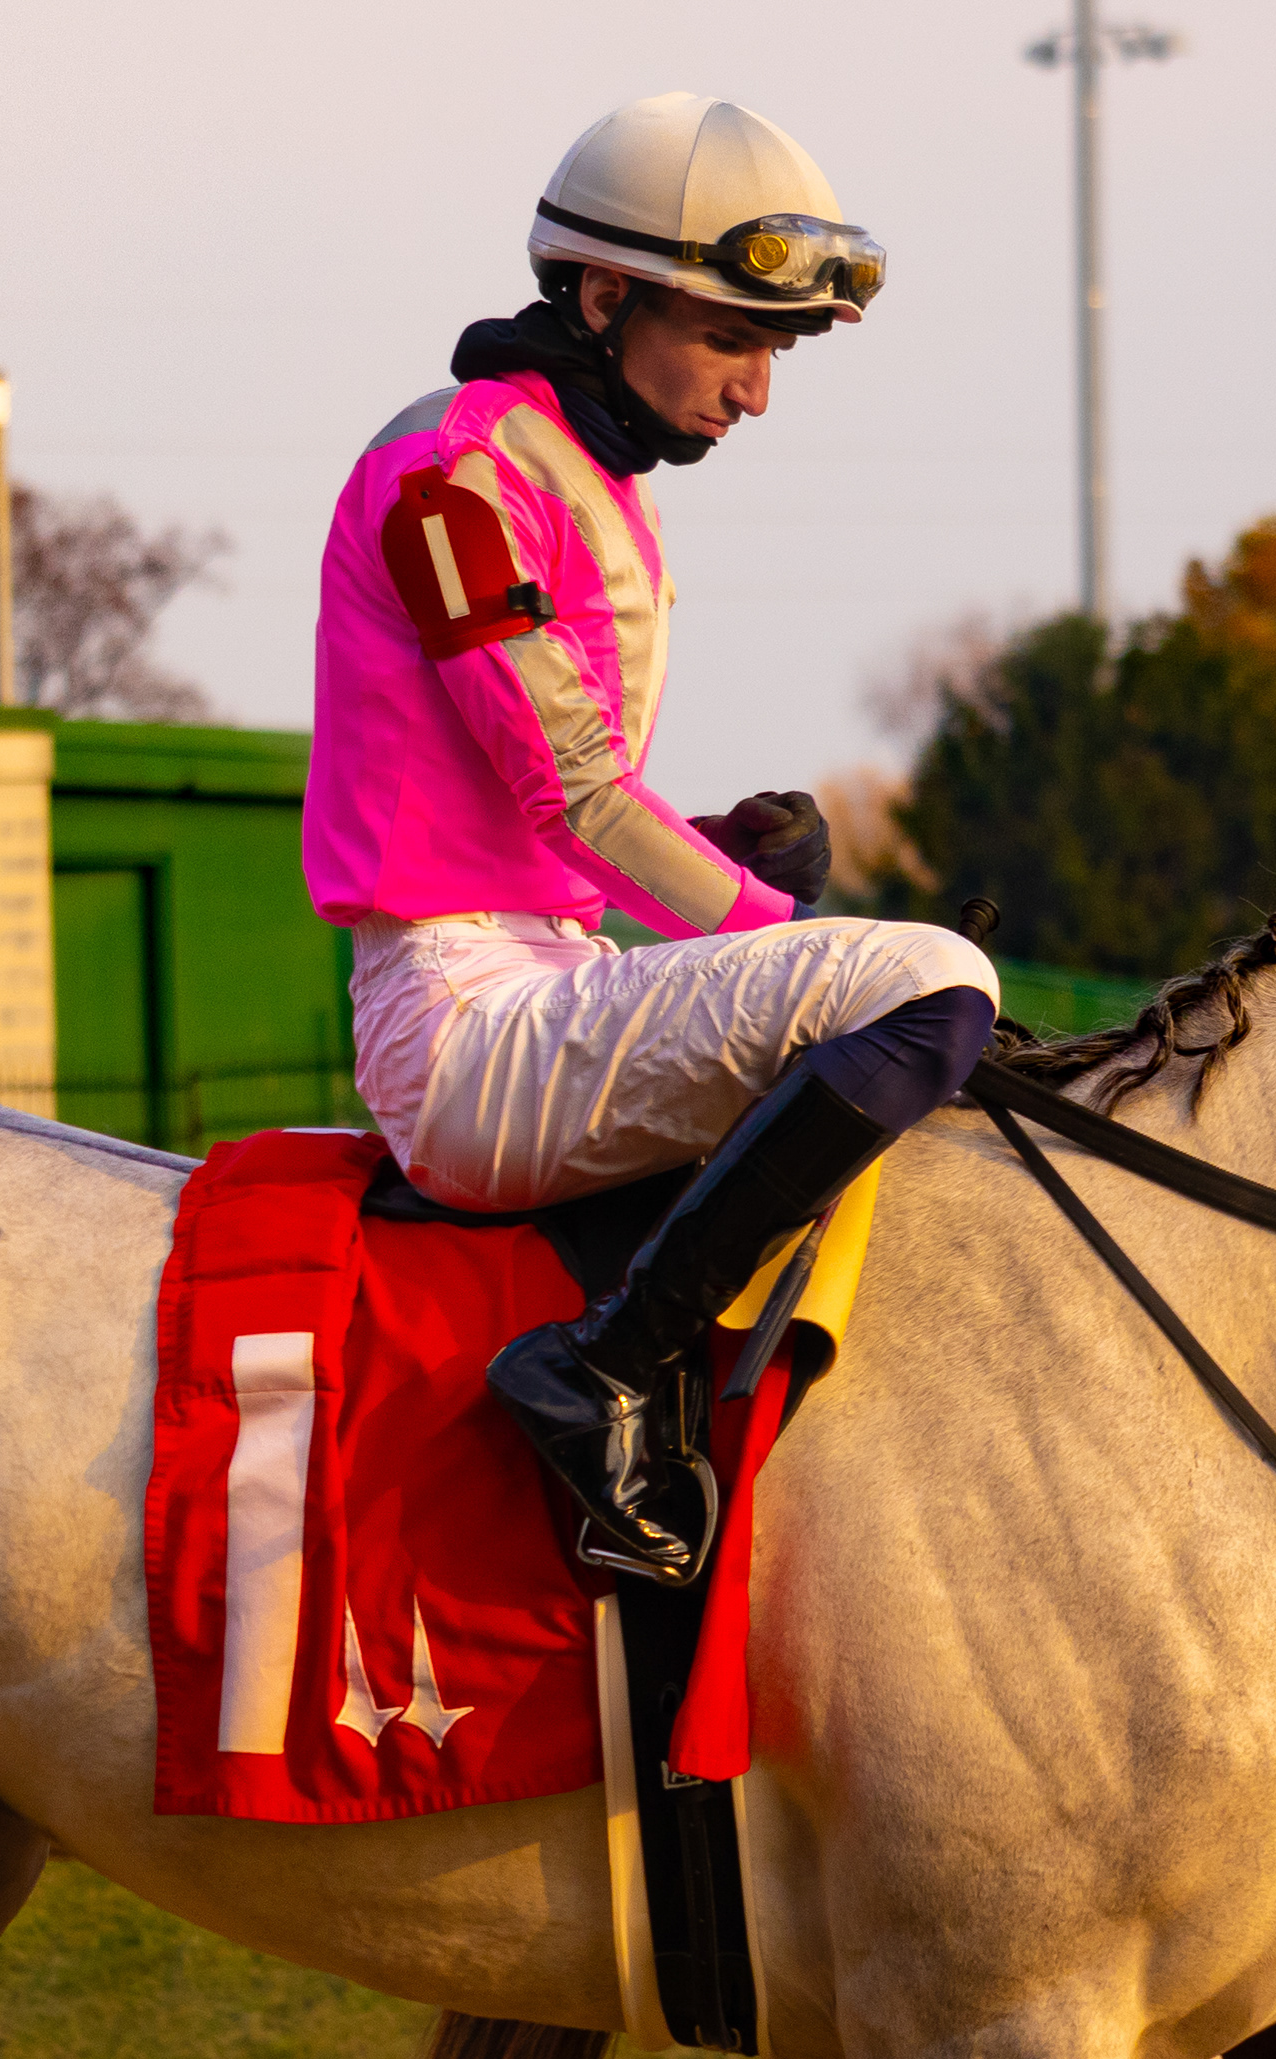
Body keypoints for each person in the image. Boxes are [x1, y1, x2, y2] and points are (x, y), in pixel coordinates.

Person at [306, 94, 999, 1587]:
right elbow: (572, 794)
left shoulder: (570, 466)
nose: (757, 392)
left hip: (537, 969)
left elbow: (539, 812)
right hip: (463, 1023)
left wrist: (729, 854)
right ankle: (600, 1370)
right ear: (606, 294)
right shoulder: (455, 477)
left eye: (776, 352)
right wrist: (763, 922)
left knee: (896, 989)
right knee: (934, 986)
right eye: (733, 341)